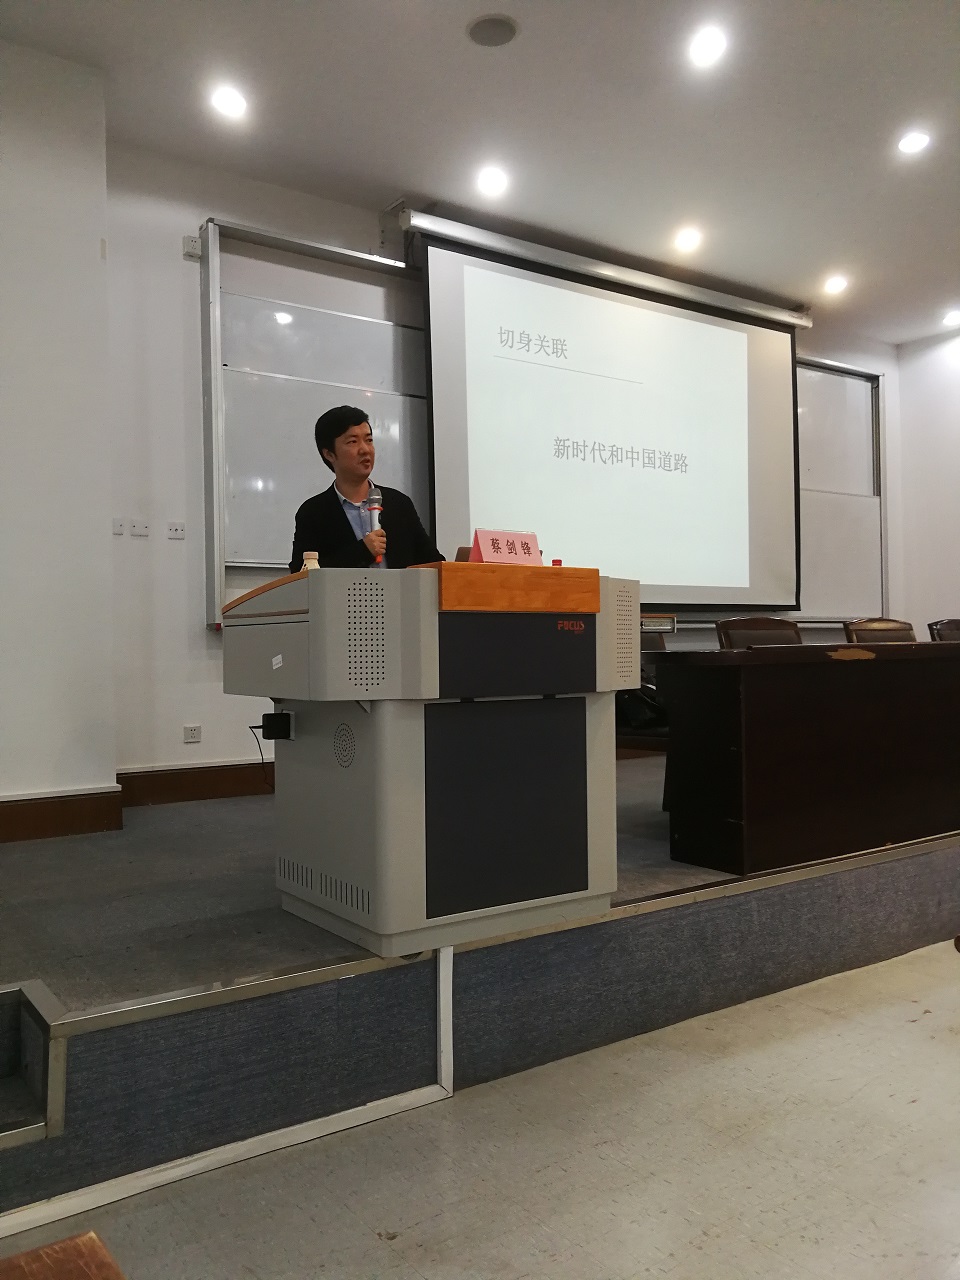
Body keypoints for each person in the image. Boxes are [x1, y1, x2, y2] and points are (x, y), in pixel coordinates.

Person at [288, 405, 443, 573]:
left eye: (369, 440)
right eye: (353, 442)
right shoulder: (313, 513)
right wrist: (362, 551)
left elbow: (433, 562)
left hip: (400, 591)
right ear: (329, 454)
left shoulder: (399, 504)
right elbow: (301, 575)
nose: (365, 449)